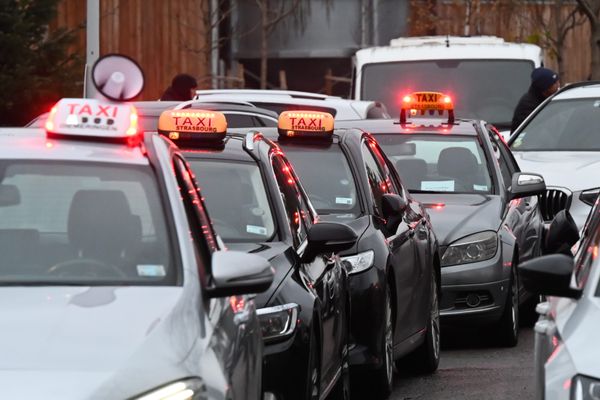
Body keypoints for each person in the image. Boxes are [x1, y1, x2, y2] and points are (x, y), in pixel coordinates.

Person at [510, 67, 560, 132]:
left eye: (558, 82)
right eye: (555, 83)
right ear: (546, 89)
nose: (558, 85)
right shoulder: (528, 106)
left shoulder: (549, 99)